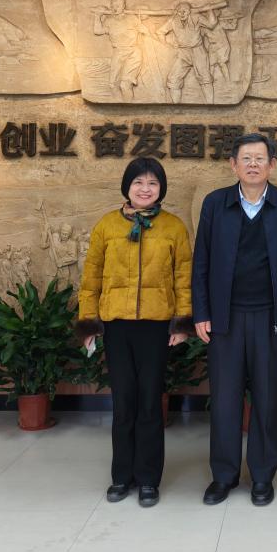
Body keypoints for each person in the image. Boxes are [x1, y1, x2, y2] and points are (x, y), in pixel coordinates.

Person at [192, 133, 277, 507]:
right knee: (225, 400)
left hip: (271, 318)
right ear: (233, 165)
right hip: (225, 319)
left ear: (272, 165)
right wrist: (202, 313)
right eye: (246, 158)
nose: (253, 164)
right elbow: (201, 262)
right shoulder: (216, 203)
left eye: (260, 158)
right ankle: (223, 476)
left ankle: (262, 475)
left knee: (266, 398)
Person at [76, 157, 192, 508]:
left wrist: (182, 323)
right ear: (127, 186)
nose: (145, 189)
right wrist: (89, 322)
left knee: (150, 403)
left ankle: (148, 479)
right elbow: (91, 277)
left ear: (161, 189)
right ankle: (121, 476)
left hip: (156, 327)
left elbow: (183, 278)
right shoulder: (107, 226)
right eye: (138, 182)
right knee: (124, 401)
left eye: (153, 183)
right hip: (117, 325)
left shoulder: (173, 227)